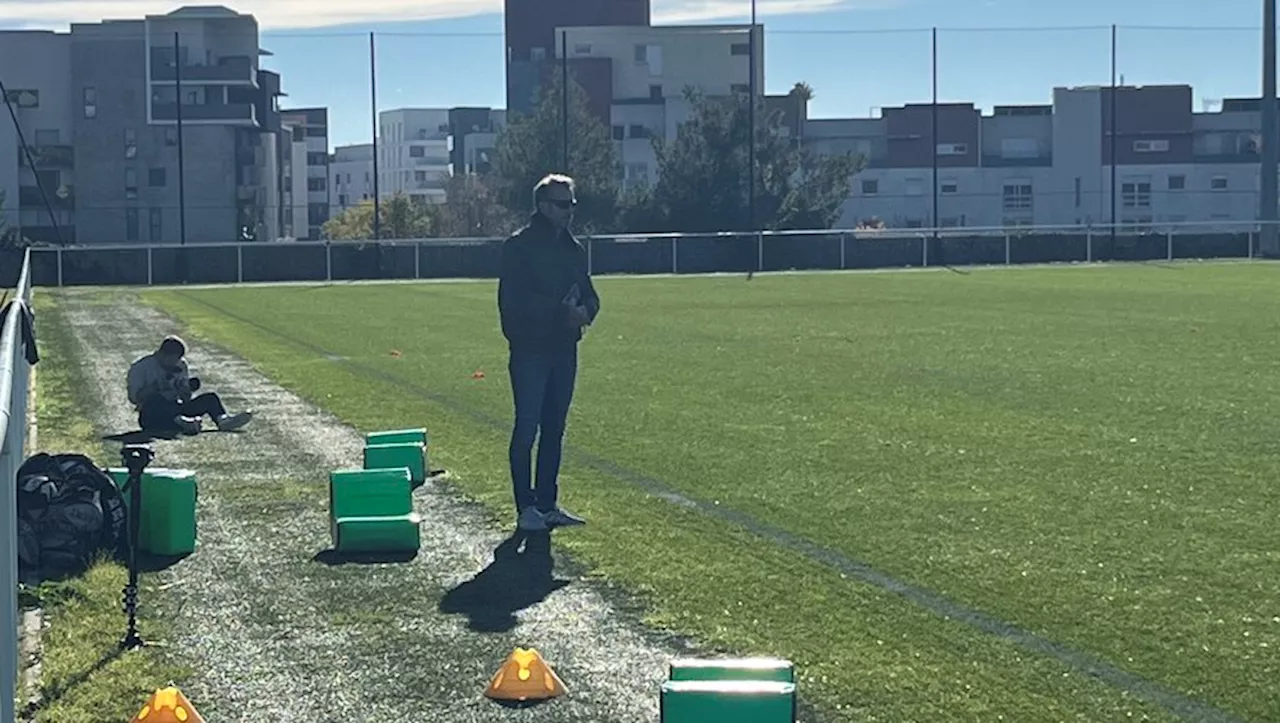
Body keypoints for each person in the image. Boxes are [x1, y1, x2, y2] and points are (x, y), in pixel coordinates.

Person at [498, 174, 600, 532]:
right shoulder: (519, 248)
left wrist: (586, 312)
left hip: (563, 350)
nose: (569, 211)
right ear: (542, 206)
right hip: (530, 351)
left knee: (554, 429)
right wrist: (561, 312)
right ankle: (525, 507)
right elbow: (514, 303)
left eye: (571, 204)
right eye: (561, 204)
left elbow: (590, 294)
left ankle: (547, 502)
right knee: (527, 428)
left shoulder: (573, 249)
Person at [127, 335, 253, 435]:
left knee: (210, 397)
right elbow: (134, 398)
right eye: (173, 359)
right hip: (153, 415)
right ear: (162, 354)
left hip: (176, 407)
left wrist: (185, 391)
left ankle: (222, 420)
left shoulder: (180, 365)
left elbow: (186, 398)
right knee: (156, 399)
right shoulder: (141, 367)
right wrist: (155, 387)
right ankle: (183, 422)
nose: (175, 363)